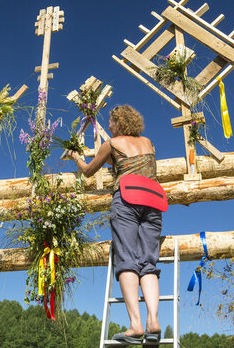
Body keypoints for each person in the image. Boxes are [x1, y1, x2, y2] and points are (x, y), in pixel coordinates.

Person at [67, 105, 162, 344]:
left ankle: (135, 325)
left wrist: (76, 157)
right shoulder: (148, 142)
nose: (107, 126)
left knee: (127, 259)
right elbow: (142, 168)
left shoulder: (111, 144)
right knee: (149, 262)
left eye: (110, 122)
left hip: (127, 199)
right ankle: (153, 321)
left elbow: (88, 171)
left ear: (118, 123)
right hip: (153, 200)